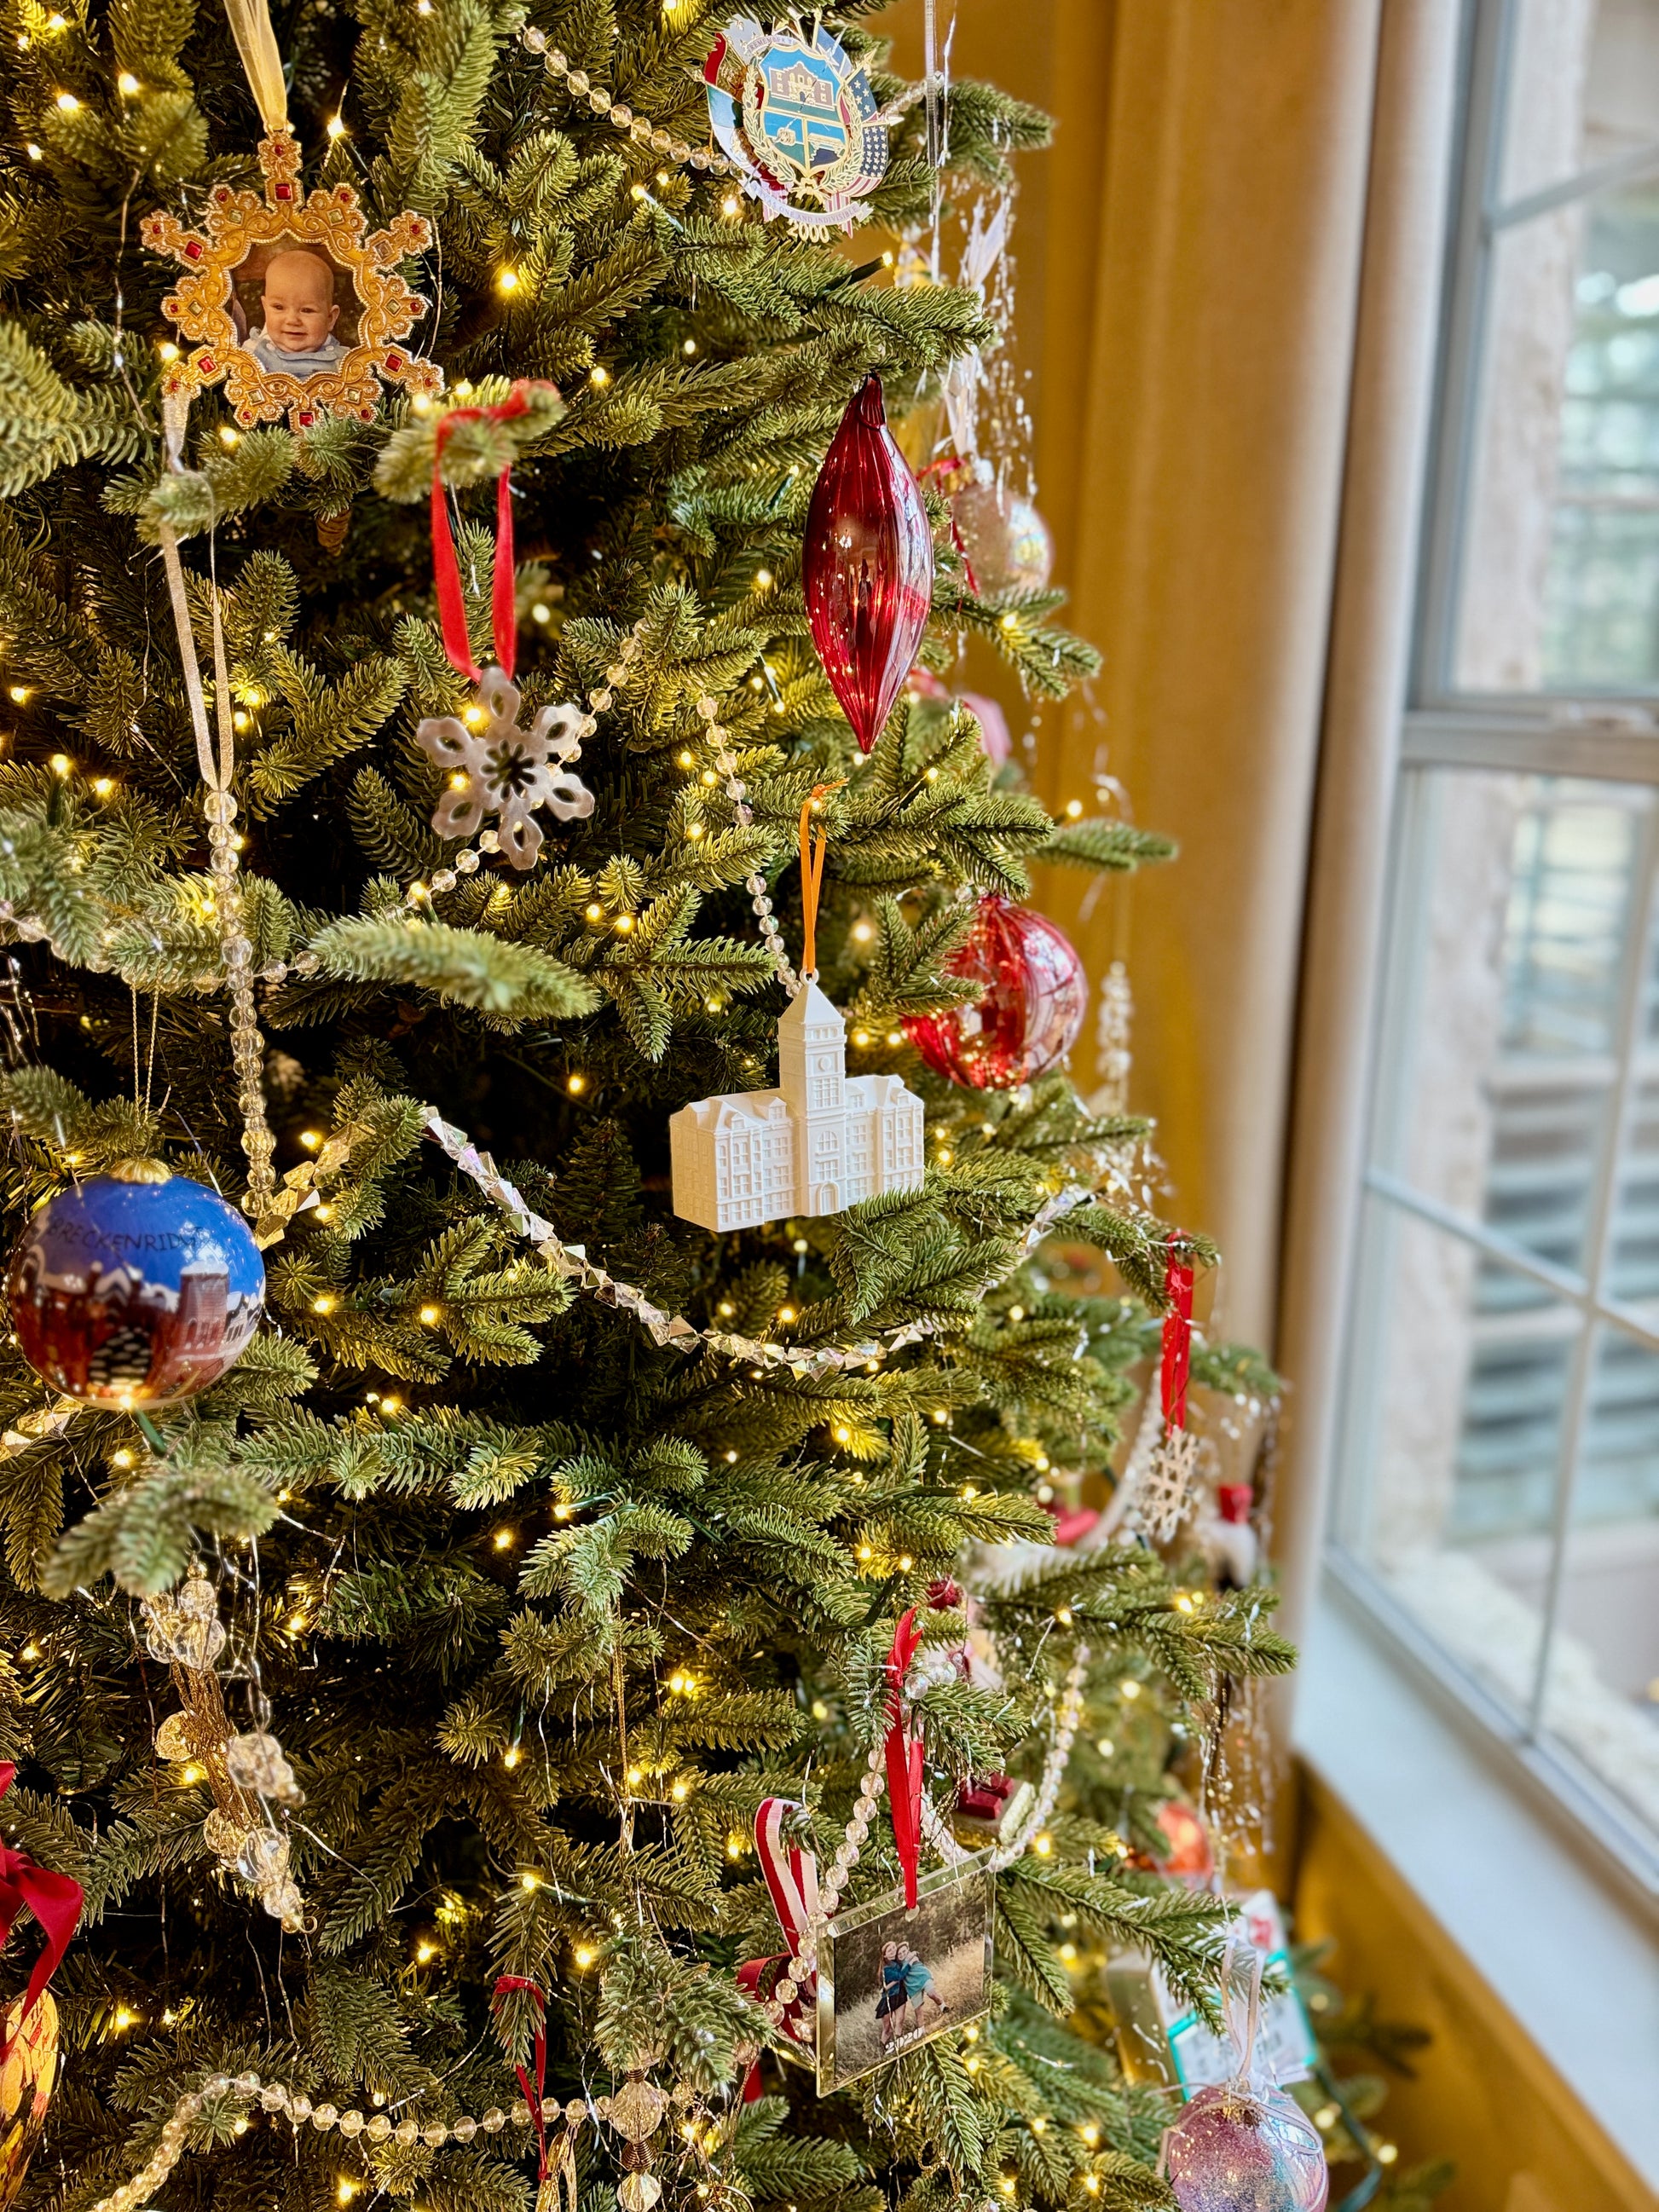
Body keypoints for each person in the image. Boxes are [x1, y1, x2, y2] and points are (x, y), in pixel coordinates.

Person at [240, 248, 347, 378]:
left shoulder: (344, 363)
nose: (292, 320)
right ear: (265, 309)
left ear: (330, 318)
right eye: (279, 307)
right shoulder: (252, 353)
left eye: (306, 310)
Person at [898, 1943, 947, 2030]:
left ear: (908, 1950)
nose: (902, 1954)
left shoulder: (912, 1956)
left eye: (904, 1951)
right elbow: (901, 1973)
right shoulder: (898, 1966)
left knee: (932, 1994)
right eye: (899, 1954)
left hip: (923, 1977)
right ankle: (922, 2031)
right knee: (918, 2011)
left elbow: (913, 1957)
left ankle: (944, 2008)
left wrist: (912, 1957)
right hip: (912, 1987)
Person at [875, 1941, 908, 2049]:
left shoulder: (899, 1961)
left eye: (894, 1947)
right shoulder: (886, 1969)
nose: (893, 1950)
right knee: (887, 2028)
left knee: (900, 2021)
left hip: (900, 1994)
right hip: (889, 1998)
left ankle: (899, 2045)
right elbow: (900, 1976)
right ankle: (882, 2048)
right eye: (889, 1950)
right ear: (885, 1955)